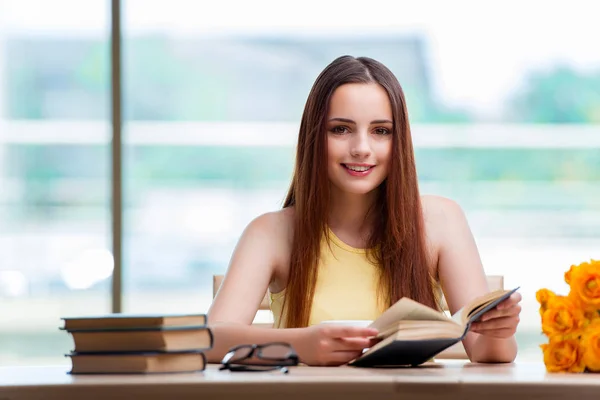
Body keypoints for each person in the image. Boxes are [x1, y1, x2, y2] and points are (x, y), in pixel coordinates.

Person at [206, 55, 522, 366]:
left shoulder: (441, 221)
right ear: (314, 137)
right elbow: (208, 340)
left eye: (381, 131)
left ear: (400, 141)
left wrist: (500, 330)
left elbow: (487, 352)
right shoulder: (270, 233)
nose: (361, 148)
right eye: (341, 129)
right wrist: (301, 344)